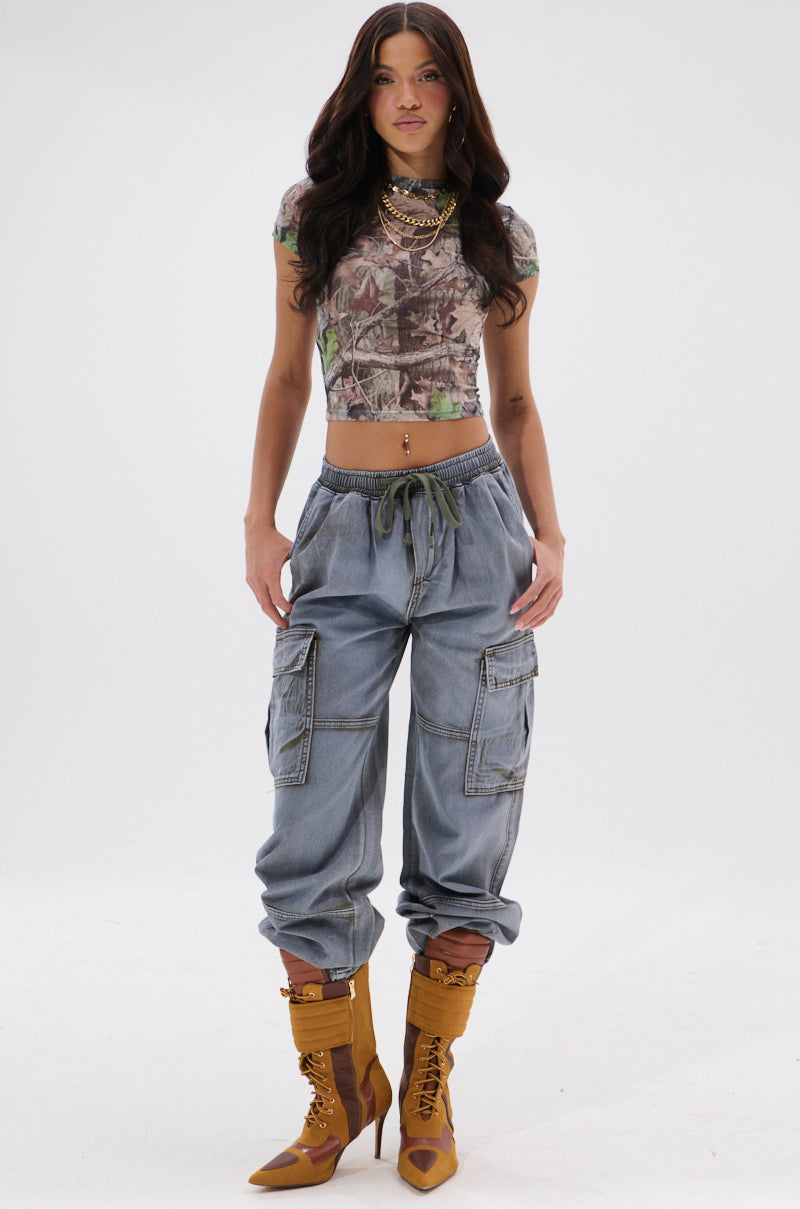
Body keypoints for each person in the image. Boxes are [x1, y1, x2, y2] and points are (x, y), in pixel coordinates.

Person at [243, 2, 564, 1191]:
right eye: (385, 79)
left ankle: (426, 1083)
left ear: (454, 92)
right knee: (308, 805)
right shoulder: (310, 217)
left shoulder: (499, 234)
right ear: (361, 95)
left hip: (476, 527)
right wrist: (259, 521)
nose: (408, 98)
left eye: (427, 76)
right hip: (344, 528)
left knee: (468, 800)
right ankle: (340, 1087)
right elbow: (287, 377)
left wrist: (550, 535)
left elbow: (515, 401)